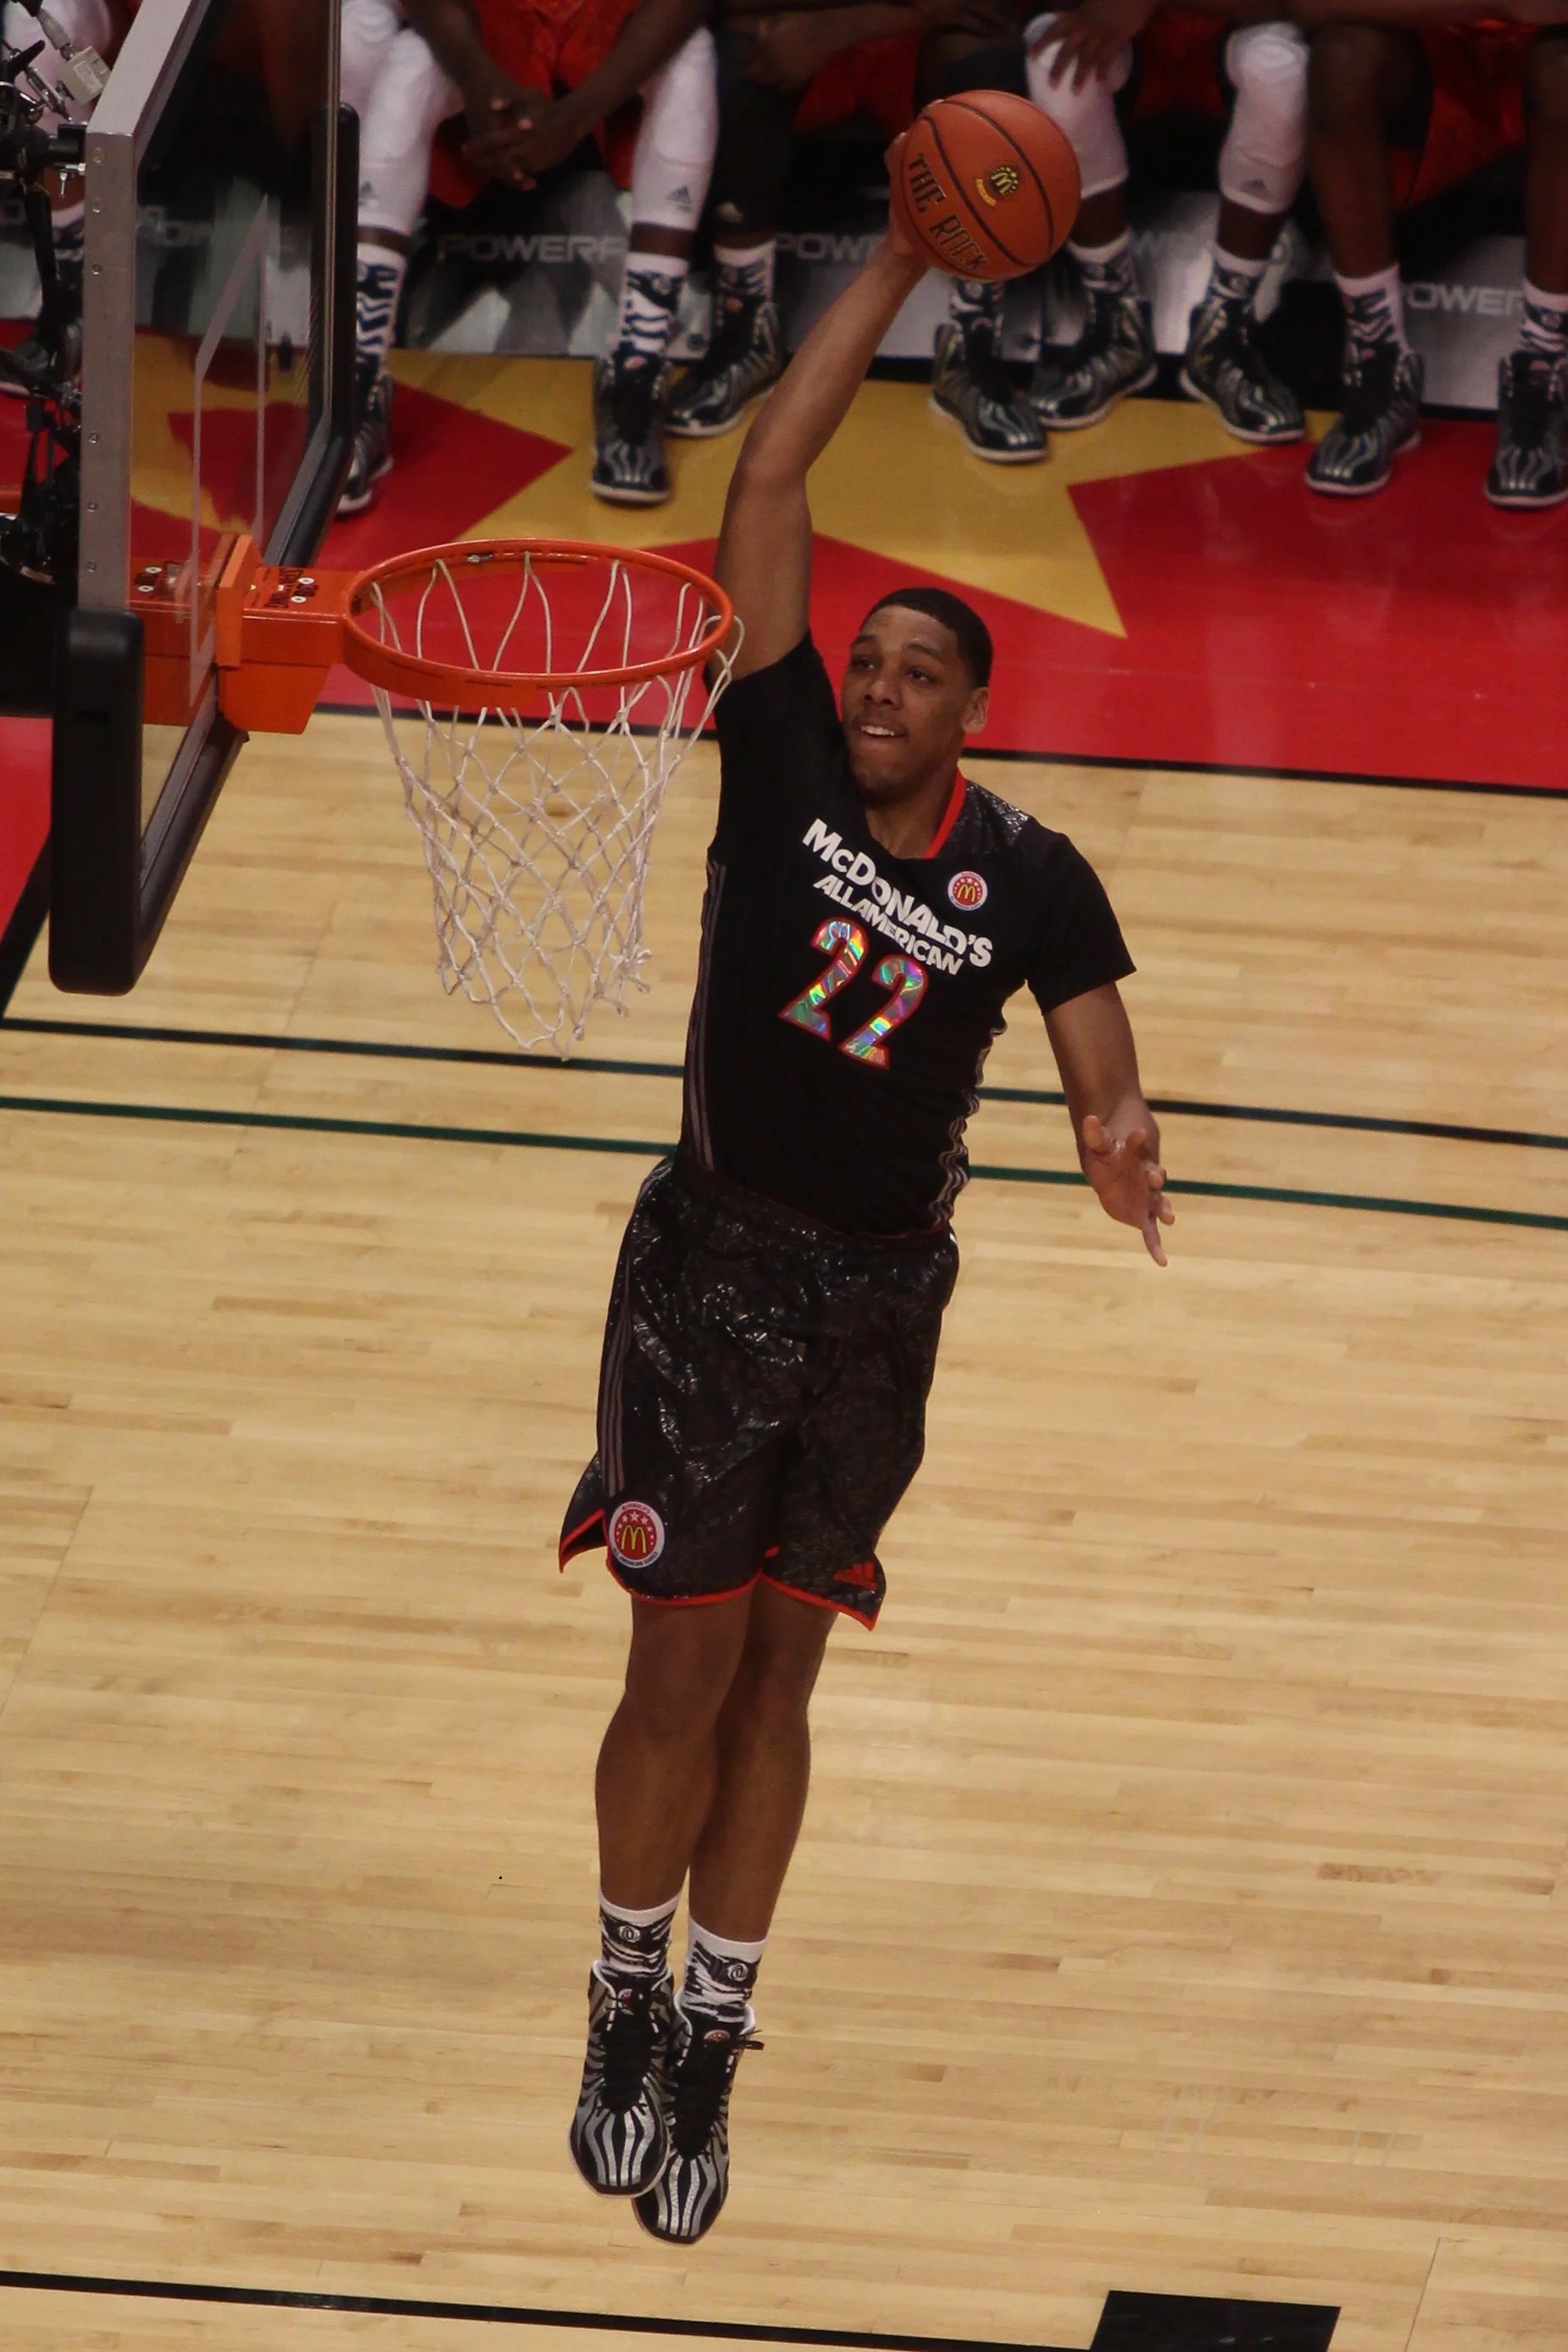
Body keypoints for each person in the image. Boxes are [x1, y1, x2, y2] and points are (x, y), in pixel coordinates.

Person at [557, 209, 1174, 2244]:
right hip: (706, 1268)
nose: (883, 689)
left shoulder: (1033, 874)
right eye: (872, 663)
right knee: (677, 1673)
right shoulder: (780, 755)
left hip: (874, 1309)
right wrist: (909, 260)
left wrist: (1117, 1129)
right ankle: (621, 1991)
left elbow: (1100, 1056)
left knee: (780, 1693)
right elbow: (774, 472)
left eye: (920, 676)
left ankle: (716, 2033)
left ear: (970, 714)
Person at [667, 0, 1051, 460]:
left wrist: (846, 26)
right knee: (747, 48)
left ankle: (974, 344)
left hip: (916, 40)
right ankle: (744, 330)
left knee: (986, 54)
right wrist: (834, 27)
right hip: (817, 31)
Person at [403, 0, 719, 504]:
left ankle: (637, 364)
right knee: (405, 56)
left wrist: (573, 121)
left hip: (607, 23)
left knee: (689, 53)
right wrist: (477, 76)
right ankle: (356, 380)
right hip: (486, 22)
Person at [1301, 0, 1568, 503]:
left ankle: (1542, 367)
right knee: (1340, 58)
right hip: (1433, 48)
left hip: (1546, 59)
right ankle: (1378, 362)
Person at [1021, 0, 1310, 442]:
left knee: (1280, 70)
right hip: (1131, 39)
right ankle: (1116, 327)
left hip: (1235, 19)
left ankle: (1225, 330)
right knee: (1055, 61)